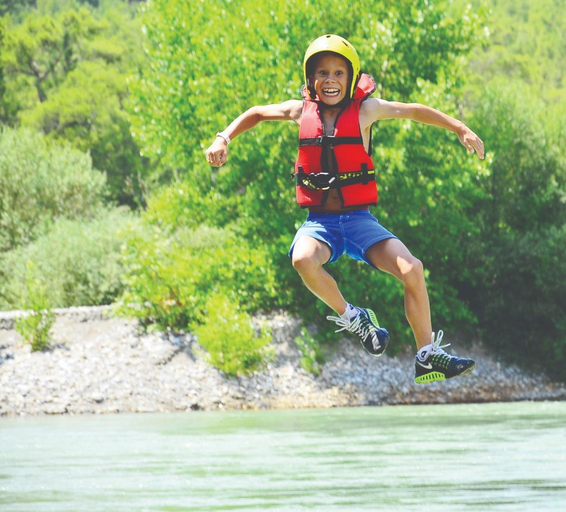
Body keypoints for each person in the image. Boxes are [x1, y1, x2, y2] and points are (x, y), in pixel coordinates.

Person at [205, 34, 485, 383]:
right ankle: (353, 317)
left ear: (351, 78)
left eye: (339, 72)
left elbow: (413, 111)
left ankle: (426, 355)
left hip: (359, 221)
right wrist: (223, 137)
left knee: (412, 268)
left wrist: (459, 127)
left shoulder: (367, 110)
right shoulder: (298, 111)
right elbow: (257, 113)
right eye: (322, 73)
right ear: (311, 79)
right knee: (302, 259)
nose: (331, 80)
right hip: (320, 223)